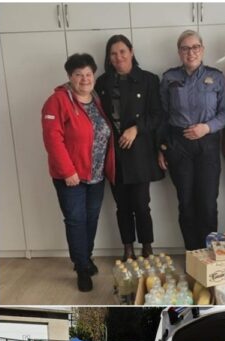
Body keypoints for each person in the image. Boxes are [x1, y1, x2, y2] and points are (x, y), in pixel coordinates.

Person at [42, 53, 115, 292]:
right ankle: (81, 268)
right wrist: (67, 171)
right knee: (76, 221)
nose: (84, 79)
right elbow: (53, 139)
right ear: (69, 77)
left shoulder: (96, 100)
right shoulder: (57, 101)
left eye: (88, 74)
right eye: (78, 74)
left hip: (96, 175)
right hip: (70, 177)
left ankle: (86, 257)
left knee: (91, 219)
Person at [158, 30, 225, 250]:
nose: (191, 52)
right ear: (179, 52)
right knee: (186, 204)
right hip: (178, 146)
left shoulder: (216, 77)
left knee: (208, 204)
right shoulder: (169, 78)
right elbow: (162, 115)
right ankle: (192, 253)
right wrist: (161, 148)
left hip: (207, 144)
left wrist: (206, 127)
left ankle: (209, 255)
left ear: (203, 49)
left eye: (195, 47)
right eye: (185, 48)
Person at [95, 34, 163, 260]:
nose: (118, 57)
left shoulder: (149, 80)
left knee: (142, 205)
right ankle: (127, 249)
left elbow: (157, 115)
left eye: (122, 51)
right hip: (114, 154)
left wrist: (136, 129)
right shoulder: (102, 82)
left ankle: (147, 247)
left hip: (140, 153)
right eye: (113, 54)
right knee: (122, 206)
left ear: (131, 52)